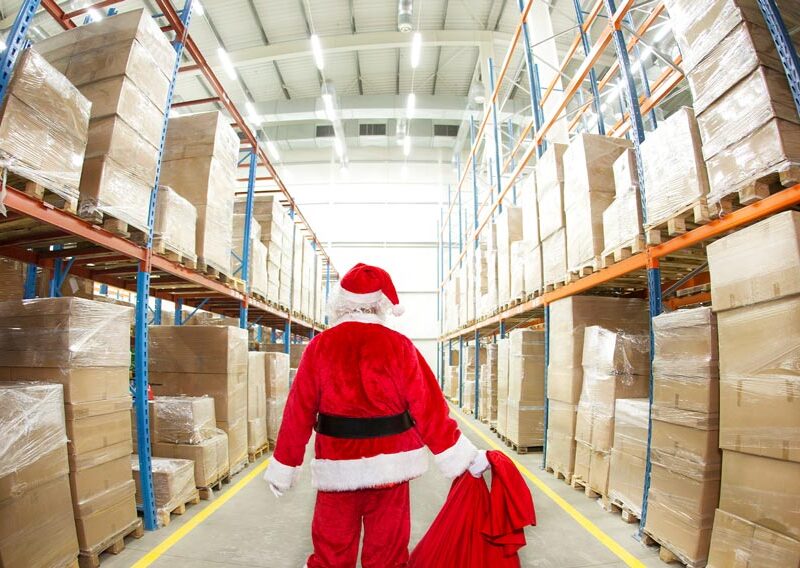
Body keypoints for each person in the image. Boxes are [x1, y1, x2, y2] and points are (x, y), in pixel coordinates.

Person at [264, 263, 489, 568]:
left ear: (341, 302)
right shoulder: (400, 347)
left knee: (331, 553)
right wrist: (462, 455)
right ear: (382, 304)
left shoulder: (320, 347)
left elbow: (298, 413)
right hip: (391, 471)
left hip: (336, 468)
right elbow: (430, 408)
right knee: (388, 554)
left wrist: (285, 465)